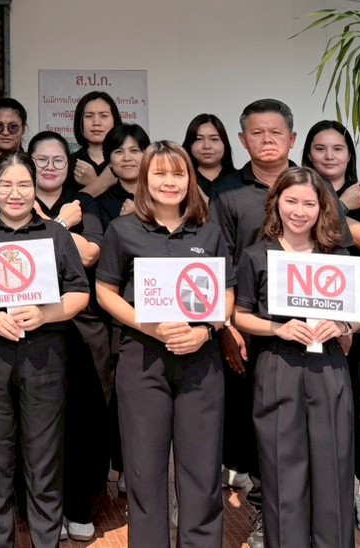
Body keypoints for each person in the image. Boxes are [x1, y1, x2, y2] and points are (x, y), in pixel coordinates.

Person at [210, 99, 360, 524]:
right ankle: (269, 516)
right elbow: (221, 262)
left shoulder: (322, 199)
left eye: (275, 132)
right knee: (271, 444)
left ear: (292, 139)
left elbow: (352, 299)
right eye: (257, 133)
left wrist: (345, 326)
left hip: (325, 358)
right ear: (243, 139)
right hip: (268, 345)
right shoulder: (226, 193)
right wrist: (233, 325)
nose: (299, 211)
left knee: (328, 451)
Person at [0, 153, 90, 548]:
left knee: (44, 456)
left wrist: (45, 314)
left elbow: (80, 290)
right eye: (6, 185)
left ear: (35, 188)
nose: (15, 193)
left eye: (24, 184)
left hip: (44, 354)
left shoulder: (55, 235)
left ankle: (45, 541)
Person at [96, 142, 228, 548]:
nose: (169, 182)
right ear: (144, 180)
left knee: (202, 471)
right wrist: (152, 328)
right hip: (142, 360)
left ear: (189, 180)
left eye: (178, 174)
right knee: (144, 471)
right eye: (160, 174)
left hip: (201, 362)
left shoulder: (210, 231)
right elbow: (105, 290)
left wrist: (204, 331)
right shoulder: (123, 230)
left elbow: (227, 295)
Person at [233, 167, 360, 548]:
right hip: (277, 364)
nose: (299, 211)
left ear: (323, 207)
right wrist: (277, 328)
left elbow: (354, 315)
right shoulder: (257, 255)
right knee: (280, 467)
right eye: (291, 201)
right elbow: (239, 315)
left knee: (333, 466)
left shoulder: (336, 256)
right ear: (277, 204)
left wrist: (342, 326)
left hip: (328, 367)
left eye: (309, 203)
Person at [302, 119, 360, 535]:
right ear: (308, 154)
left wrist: (336, 209)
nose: (329, 156)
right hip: (309, 315)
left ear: (349, 154)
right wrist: (338, 203)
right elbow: (303, 235)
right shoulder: (299, 196)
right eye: (320, 149)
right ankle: (321, 490)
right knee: (315, 407)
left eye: (338, 148)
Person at [29, 131, 107, 542]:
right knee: (41, 423)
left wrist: (48, 227)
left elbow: (91, 253)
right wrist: (60, 226)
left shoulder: (85, 203)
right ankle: (46, 507)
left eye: (58, 160)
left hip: (81, 326)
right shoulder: (18, 201)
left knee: (82, 418)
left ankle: (80, 504)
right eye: (42, 160)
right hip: (32, 326)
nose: (50, 167)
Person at [89, 122, 150, 227]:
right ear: (109, 163)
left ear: (148, 156)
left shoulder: (162, 195)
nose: (127, 158)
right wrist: (124, 222)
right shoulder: (100, 205)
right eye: (118, 152)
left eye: (134, 151)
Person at [70, 92, 121, 198]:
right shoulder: (69, 163)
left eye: (104, 116)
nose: (96, 122)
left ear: (115, 120)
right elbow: (65, 208)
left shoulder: (126, 161)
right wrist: (100, 183)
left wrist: (93, 182)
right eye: (89, 116)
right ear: (79, 122)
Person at [182, 114, 238, 195]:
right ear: (189, 144)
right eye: (199, 139)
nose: (207, 146)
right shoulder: (182, 181)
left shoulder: (240, 181)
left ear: (224, 144)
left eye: (214, 139)